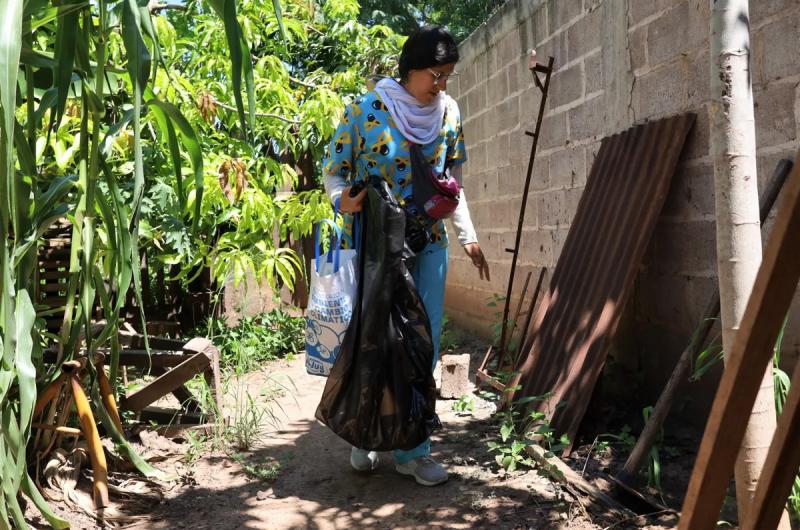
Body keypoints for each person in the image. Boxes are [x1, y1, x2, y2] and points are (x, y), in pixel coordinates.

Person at [322, 25, 490, 487]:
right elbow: (333, 174)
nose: (442, 84)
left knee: (423, 343)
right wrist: (344, 201)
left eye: (448, 75)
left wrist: (468, 235)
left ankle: (415, 450)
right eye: (436, 74)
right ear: (410, 68)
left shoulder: (450, 113)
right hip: (377, 247)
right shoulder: (364, 110)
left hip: (430, 245)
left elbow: (453, 186)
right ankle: (366, 434)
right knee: (375, 337)